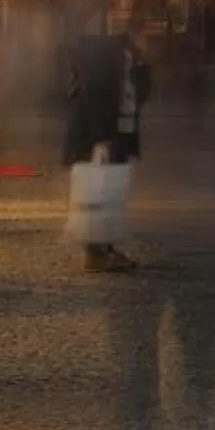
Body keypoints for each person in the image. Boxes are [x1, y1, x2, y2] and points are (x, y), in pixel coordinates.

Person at [62, 27, 150, 273]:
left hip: (115, 135)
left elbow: (140, 94)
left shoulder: (125, 58)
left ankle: (106, 249)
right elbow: (98, 98)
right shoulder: (106, 58)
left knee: (110, 195)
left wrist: (142, 64)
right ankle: (96, 253)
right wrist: (103, 136)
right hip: (102, 138)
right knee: (97, 195)